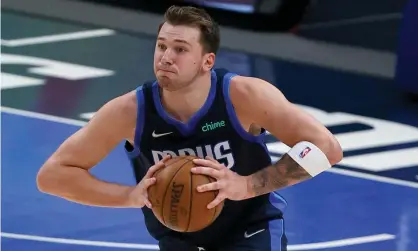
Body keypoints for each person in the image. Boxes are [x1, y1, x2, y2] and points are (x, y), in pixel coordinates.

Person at [36, 5, 343, 251]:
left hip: (251, 228)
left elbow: (327, 148)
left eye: (180, 49)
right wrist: (130, 196)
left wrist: (247, 186)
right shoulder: (129, 111)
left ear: (207, 61)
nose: (166, 57)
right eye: (161, 46)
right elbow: (52, 175)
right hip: (177, 237)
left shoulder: (245, 96)